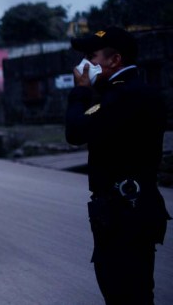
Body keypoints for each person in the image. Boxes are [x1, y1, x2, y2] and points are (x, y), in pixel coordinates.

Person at [65, 26, 171, 304]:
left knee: (125, 292)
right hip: (129, 209)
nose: (85, 64)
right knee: (131, 289)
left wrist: (81, 92)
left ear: (115, 60)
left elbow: (75, 131)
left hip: (126, 213)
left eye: (92, 55)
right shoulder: (127, 94)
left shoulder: (123, 97)